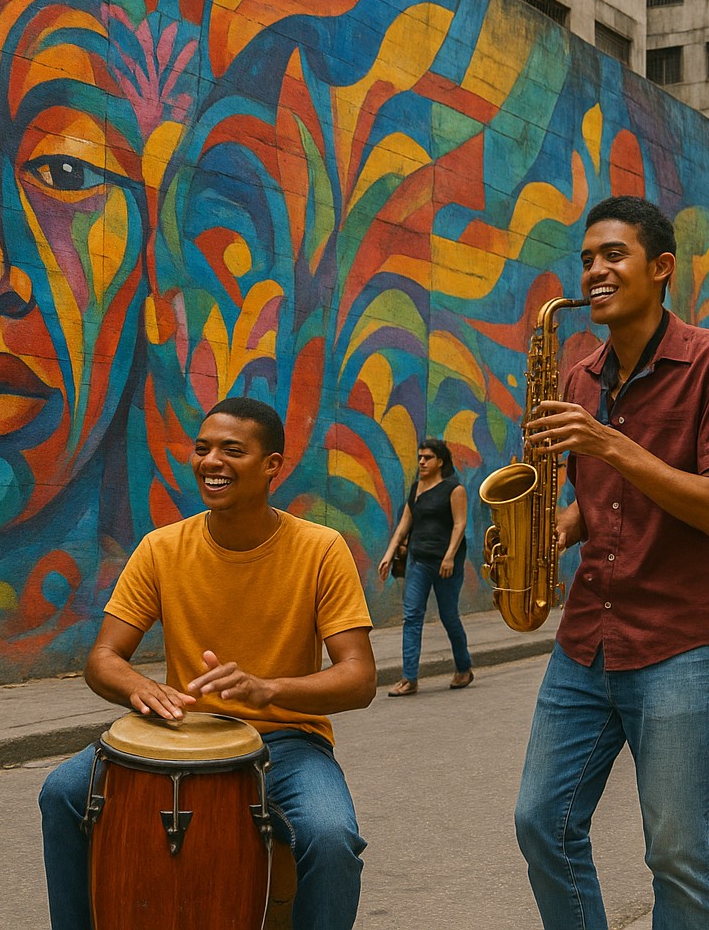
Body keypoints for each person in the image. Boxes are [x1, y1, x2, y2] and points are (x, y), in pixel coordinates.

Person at [514, 196, 709, 930]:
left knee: (679, 853)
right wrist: (542, 533)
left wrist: (611, 444)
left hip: (683, 641)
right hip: (588, 636)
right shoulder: (579, 377)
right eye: (587, 258)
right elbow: (601, 503)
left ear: (661, 269)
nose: (594, 270)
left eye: (613, 255)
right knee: (540, 822)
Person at [37, 396, 376, 930]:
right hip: (182, 733)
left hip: (284, 742)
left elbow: (358, 677)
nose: (211, 462)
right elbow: (103, 657)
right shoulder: (161, 548)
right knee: (62, 792)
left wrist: (269, 689)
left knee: (331, 837)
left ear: (272, 466)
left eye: (231, 450)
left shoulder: (321, 549)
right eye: (202, 449)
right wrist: (138, 689)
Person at [376, 437, 473, 695]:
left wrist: (450, 556)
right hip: (418, 560)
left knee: (449, 616)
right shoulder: (416, 487)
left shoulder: (455, 489)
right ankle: (409, 678)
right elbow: (404, 524)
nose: (421, 461)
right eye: (420, 457)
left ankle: (464, 668)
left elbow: (459, 524)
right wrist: (388, 554)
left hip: (445, 564)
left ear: (440, 461)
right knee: (412, 616)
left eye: (427, 457)